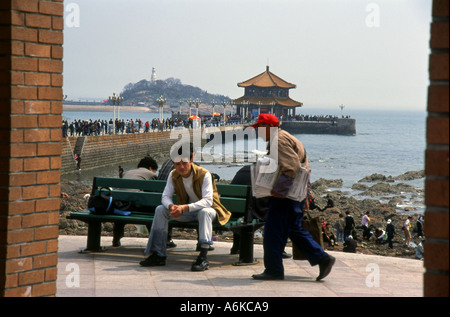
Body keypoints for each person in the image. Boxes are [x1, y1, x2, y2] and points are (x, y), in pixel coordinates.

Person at [250, 114, 335, 281]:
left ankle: (274, 269)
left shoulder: (278, 141)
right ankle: (322, 258)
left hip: (286, 196)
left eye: (259, 128)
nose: (257, 132)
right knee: (293, 229)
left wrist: (278, 191)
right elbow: (303, 165)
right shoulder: (287, 137)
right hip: (297, 194)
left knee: (273, 231)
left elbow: (292, 167)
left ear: (268, 127)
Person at [140, 142, 231, 271]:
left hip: (210, 212)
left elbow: (208, 201)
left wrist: (183, 208)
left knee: (204, 212)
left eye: (184, 162)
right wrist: (172, 207)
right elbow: (165, 197)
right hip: (187, 212)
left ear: (191, 158)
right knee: (160, 209)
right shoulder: (173, 175)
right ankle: (158, 254)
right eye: (177, 164)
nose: (181, 167)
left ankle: (203, 257)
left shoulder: (204, 174)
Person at [112, 156, 158, 247]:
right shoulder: (151, 174)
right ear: (150, 168)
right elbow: (154, 191)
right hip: (132, 206)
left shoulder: (127, 172)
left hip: (118, 205)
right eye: (154, 170)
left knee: (123, 208)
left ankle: (116, 238)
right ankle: (153, 239)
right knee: (150, 209)